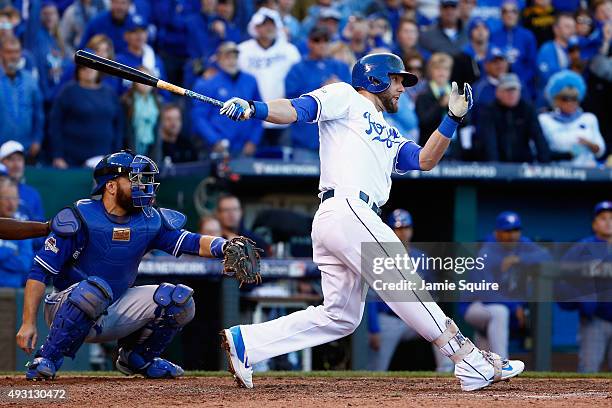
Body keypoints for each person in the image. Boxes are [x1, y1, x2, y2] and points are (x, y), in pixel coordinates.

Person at [217, 52, 524, 391]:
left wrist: (451, 118)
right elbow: (296, 108)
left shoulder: (387, 130)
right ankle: (468, 360)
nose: (402, 89)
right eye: (397, 80)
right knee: (403, 280)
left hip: (346, 218)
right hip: (349, 209)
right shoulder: (344, 95)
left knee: (341, 317)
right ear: (375, 78)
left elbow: (424, 159)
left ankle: (248, 342)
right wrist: (253, 107)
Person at [15, 150, 256, 380]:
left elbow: (191, 241)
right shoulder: (79, 216)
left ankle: (137, 358)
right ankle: (47, 358)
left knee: (180, 300)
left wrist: (225, 246)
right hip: (66, 306)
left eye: (145, 180)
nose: (144, 186)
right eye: (135, 179)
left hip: (115, 305)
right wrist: (28, 323)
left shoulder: (150, 219)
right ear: (110, 186)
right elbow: (40, 272)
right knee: (94, 290)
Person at [367, 209, 452, 372]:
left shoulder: (421, 257)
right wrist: (373, 329)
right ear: (390, 231)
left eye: (406, 228)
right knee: (376, 369)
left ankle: (447, 373)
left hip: (415, 318)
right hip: (389, 319)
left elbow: (432, 293)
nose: (402, 233)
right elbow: (370, 297)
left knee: (442, 326)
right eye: (397, 229)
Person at [461, 211, 550, 359]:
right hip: (474, 306)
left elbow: (546, 255)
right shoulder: (486, 252)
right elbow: (486, 294)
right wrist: (514, 306)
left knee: (482, 360)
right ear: (497, 233)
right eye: (507, 231)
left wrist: (519, 259)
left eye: (516, 230)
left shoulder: (521, 244)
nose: (512, 235)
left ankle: (483, 367)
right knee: (499, 312)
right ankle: (503, 363)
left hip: (498, 305)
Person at [559, 201, 612, 372]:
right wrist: (580, 298)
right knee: (588, 371)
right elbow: (561, 276)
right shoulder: (583, 247)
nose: (608, 222)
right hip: (595, 320)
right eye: (603, 218)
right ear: (594, 224)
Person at [238, 10, 300, 146]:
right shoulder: (242, 51)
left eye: (272, 24)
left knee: (283, 165)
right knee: (252, 165)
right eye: (264, 24)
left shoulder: (290, 51)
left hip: (283, 116)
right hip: (252, 118)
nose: (269, 28)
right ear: (255, 27)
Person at [285, 26, 351, 154]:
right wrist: (323, 90)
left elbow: (353, 97)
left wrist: (339, 87)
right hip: (305, 139)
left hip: (336, 140)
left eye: (326, 40)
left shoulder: (340, 67)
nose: (322, 44)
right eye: (317, 40)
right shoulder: (297, 69)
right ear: (309, 42)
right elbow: (290, 98)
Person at [192, 42, 263, 157]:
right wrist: (214, 140)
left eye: (234, 56)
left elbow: (258, 112)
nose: (232, 61)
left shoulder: (250, 81)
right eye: (227, 57)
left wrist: (253, 141)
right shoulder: (207, 84)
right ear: (218, 59)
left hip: (244, 146)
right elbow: (199, 116)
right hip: (218, 146)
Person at [49, 62, 124, 168]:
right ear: (78, 70)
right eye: (84, 67)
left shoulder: (110, 93)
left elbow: (118, 125)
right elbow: (55, 124)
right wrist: (58, 155)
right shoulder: (68, 92)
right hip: (71, 159)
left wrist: (117, 154)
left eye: (92, 67)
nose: (88, 70)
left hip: (104, 159)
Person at [477, 73, 551, 163]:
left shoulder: (527, 110)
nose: (511, 94)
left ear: (519, 92)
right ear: (498, 93)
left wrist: (545, 165)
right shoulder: (489, 111)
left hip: (523, 163)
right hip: (499, 163)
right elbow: (489, 141)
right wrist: (495, 166)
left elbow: (538, 137)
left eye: (514, 90)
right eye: (507, 90)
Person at [539, 70, 605, 167]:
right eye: (565, 98)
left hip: (587, 172)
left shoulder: (589, 119)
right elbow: (539, 151)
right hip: (556, 172)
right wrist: (568, 155)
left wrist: (588, 144)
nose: (570, 103)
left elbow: (600, 151)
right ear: (556, 100)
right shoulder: (544, 120)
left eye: (574, 98)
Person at [0, 35, 43, 159]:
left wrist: (37, 139)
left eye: (17, 52)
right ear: (1, 53)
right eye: (9, 52)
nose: (13, 56)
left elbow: (38, 114)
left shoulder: (30, 80)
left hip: (25, 149)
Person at [489, 0, 538, 100]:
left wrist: (519, 82)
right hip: (498, 87)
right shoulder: (493, 36)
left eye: (513, 11)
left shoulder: (527, 36)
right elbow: (489, 62)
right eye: (505, 11)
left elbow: (532, 65)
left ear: (518, 14)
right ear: (501, 15)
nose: (509, 15)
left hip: (523, 87)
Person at [115, 18, 166, 96]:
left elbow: (165, 90)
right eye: (134, 31)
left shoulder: (155, 59)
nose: (139, 35)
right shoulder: (118, 61)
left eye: (143, 31)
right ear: (126, 36)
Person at [121, 66, 162, 157]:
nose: (145, 83)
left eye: (148, 78)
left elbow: (158, 130)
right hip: (130, 146)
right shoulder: (127, 101)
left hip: (151, 147)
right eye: (141, 79)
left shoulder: (158, 102)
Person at [0, 141, 45, 223]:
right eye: (11, 159)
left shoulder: (32, 194)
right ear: (1, 163)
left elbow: (40, 229)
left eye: (20, 159)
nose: (17, 165)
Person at [0, 177, 33, 288]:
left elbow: (24, 265)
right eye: (6, 198)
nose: (11, 203)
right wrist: (11, 252)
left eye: (14, 198)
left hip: (14, 291)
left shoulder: (23, 228)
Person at [415, 53, 454, 146]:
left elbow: (465, 122)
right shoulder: (423, 94)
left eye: (445, 69)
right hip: (430, 145)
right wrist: (440, 105)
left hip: (454, 146)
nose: (442, 73)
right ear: (430, 71)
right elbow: (423, 122)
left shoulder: (457, 93)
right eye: (437, 68)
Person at [537, 13, 577, 102]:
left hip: (573, 103)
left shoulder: (577, 49)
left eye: (573, 27)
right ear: (556, 29)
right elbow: (548, 78)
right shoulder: (547, 49)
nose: (572, 31)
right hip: (549, 103)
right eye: (567, 27)